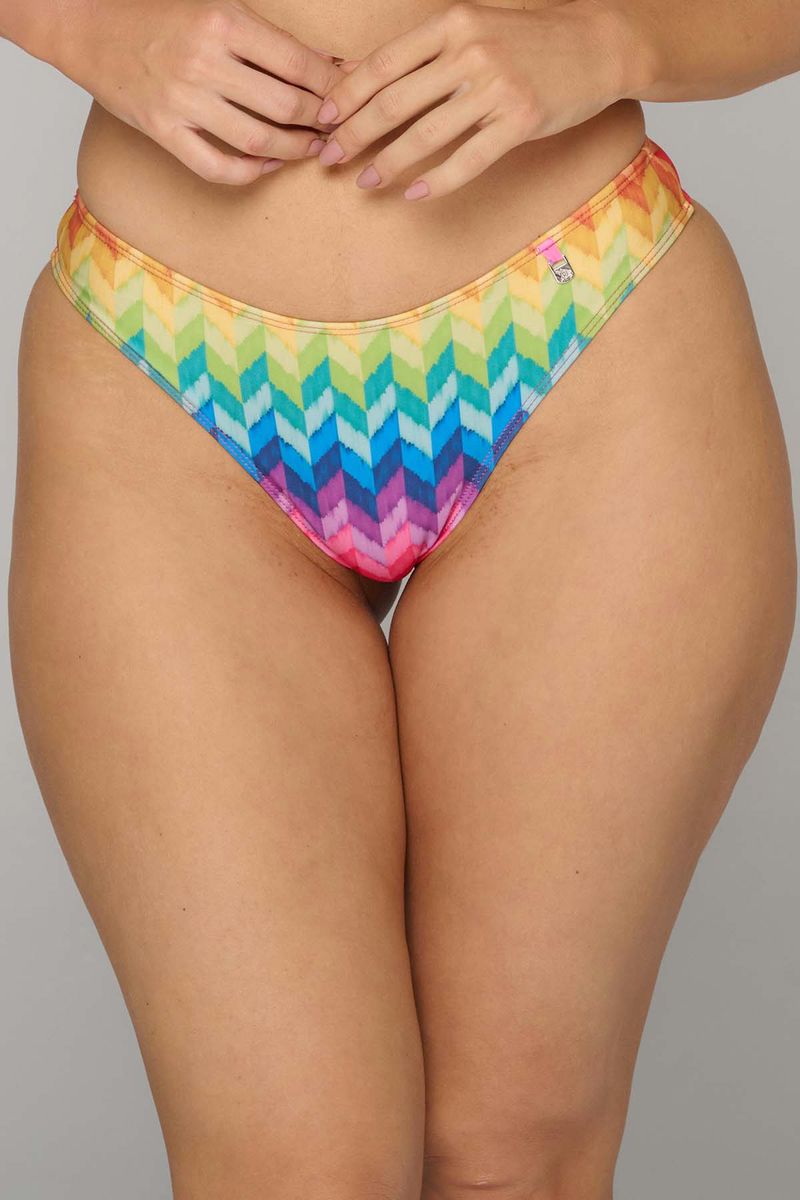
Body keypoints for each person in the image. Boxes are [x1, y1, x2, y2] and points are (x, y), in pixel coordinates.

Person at [3, 1, 798, 1197]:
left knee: (507, 1155)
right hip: (159, 365)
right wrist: (80, 24)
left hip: (578, 322)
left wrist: (612, 41)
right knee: (295, 1168)